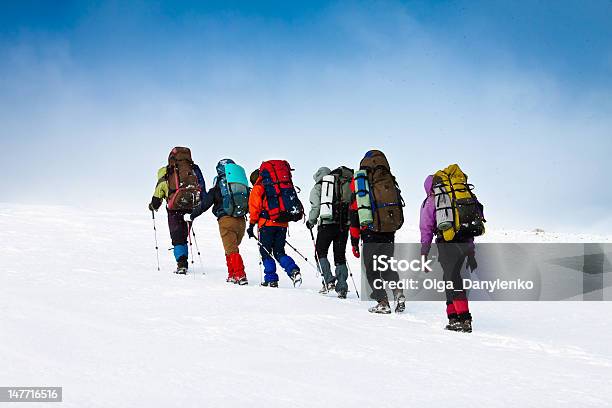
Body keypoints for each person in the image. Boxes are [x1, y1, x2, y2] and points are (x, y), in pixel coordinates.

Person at [349, 150, 405, 314]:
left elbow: (354, 212)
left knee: (372, 269)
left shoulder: (361, 182)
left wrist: (354, 241)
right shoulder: (388, 178)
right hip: (389, 230)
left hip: (370, 231)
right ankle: (398, 292)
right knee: (386, 265)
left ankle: (382, 302)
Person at [420, 174, 477, 333]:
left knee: (452, 278)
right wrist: (471, 253)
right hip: (464, 243)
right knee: (449, 277)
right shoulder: (457, 198)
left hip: (447, 243)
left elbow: (426, 229)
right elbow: (468, 226)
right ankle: (453, 317)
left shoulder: (432, 200)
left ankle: (464, 318)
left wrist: (424, 252)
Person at [189, 159, 248, 285]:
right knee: (231, 248)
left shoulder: (217, 189)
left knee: (231, 249)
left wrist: (192, 215)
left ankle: (239, 275)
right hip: (241, 220)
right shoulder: (241, 185)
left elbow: (204, 204)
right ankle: (232, 274)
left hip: (226, 220)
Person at [148, 147, 205, 274]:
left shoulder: (166, 171)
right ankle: (183, 259)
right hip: (190, 206)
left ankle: (182, 263)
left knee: (177, 236)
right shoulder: (193, 169)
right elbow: (201, 186)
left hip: (174, 207)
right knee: (184, 233)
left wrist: (153, 205)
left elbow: (160, 191)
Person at [247, 168, 301, 287]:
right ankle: (293, 270)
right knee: (279, 252)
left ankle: (271, 279)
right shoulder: (277, 186)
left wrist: (251, 225)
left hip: (266, 225)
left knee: (266, 252)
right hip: (282, 223)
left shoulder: (259, 187)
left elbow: (254, 208)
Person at [306, 166, 353, 299]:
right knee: (340, 256)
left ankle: (328, 281)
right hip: (343, 225)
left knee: (320, 252)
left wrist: (311, 221)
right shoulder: (341, 184)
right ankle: (342, 287)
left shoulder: (318, 188)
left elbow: (315, 207)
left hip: (327, 225)